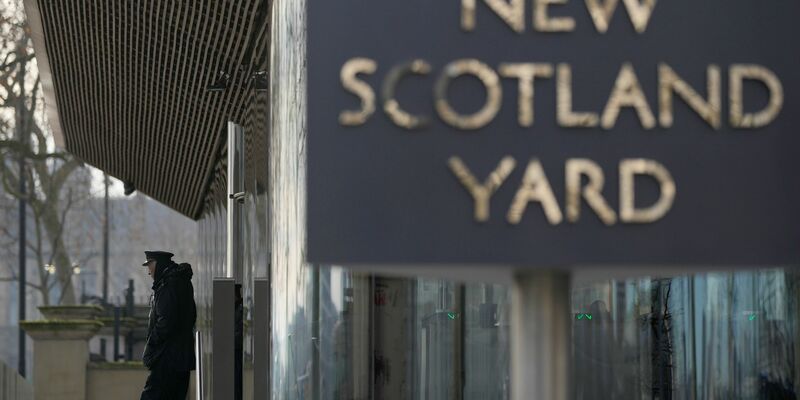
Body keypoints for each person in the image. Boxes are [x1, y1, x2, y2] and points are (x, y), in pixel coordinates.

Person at [140, 251, 197, 400]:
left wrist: (151, 345)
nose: (149, 271)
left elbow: (165, 322)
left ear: (158, 264)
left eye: (150, 265)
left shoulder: (168, 285)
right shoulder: (180, 283)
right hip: (180, 358)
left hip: (167, 357)